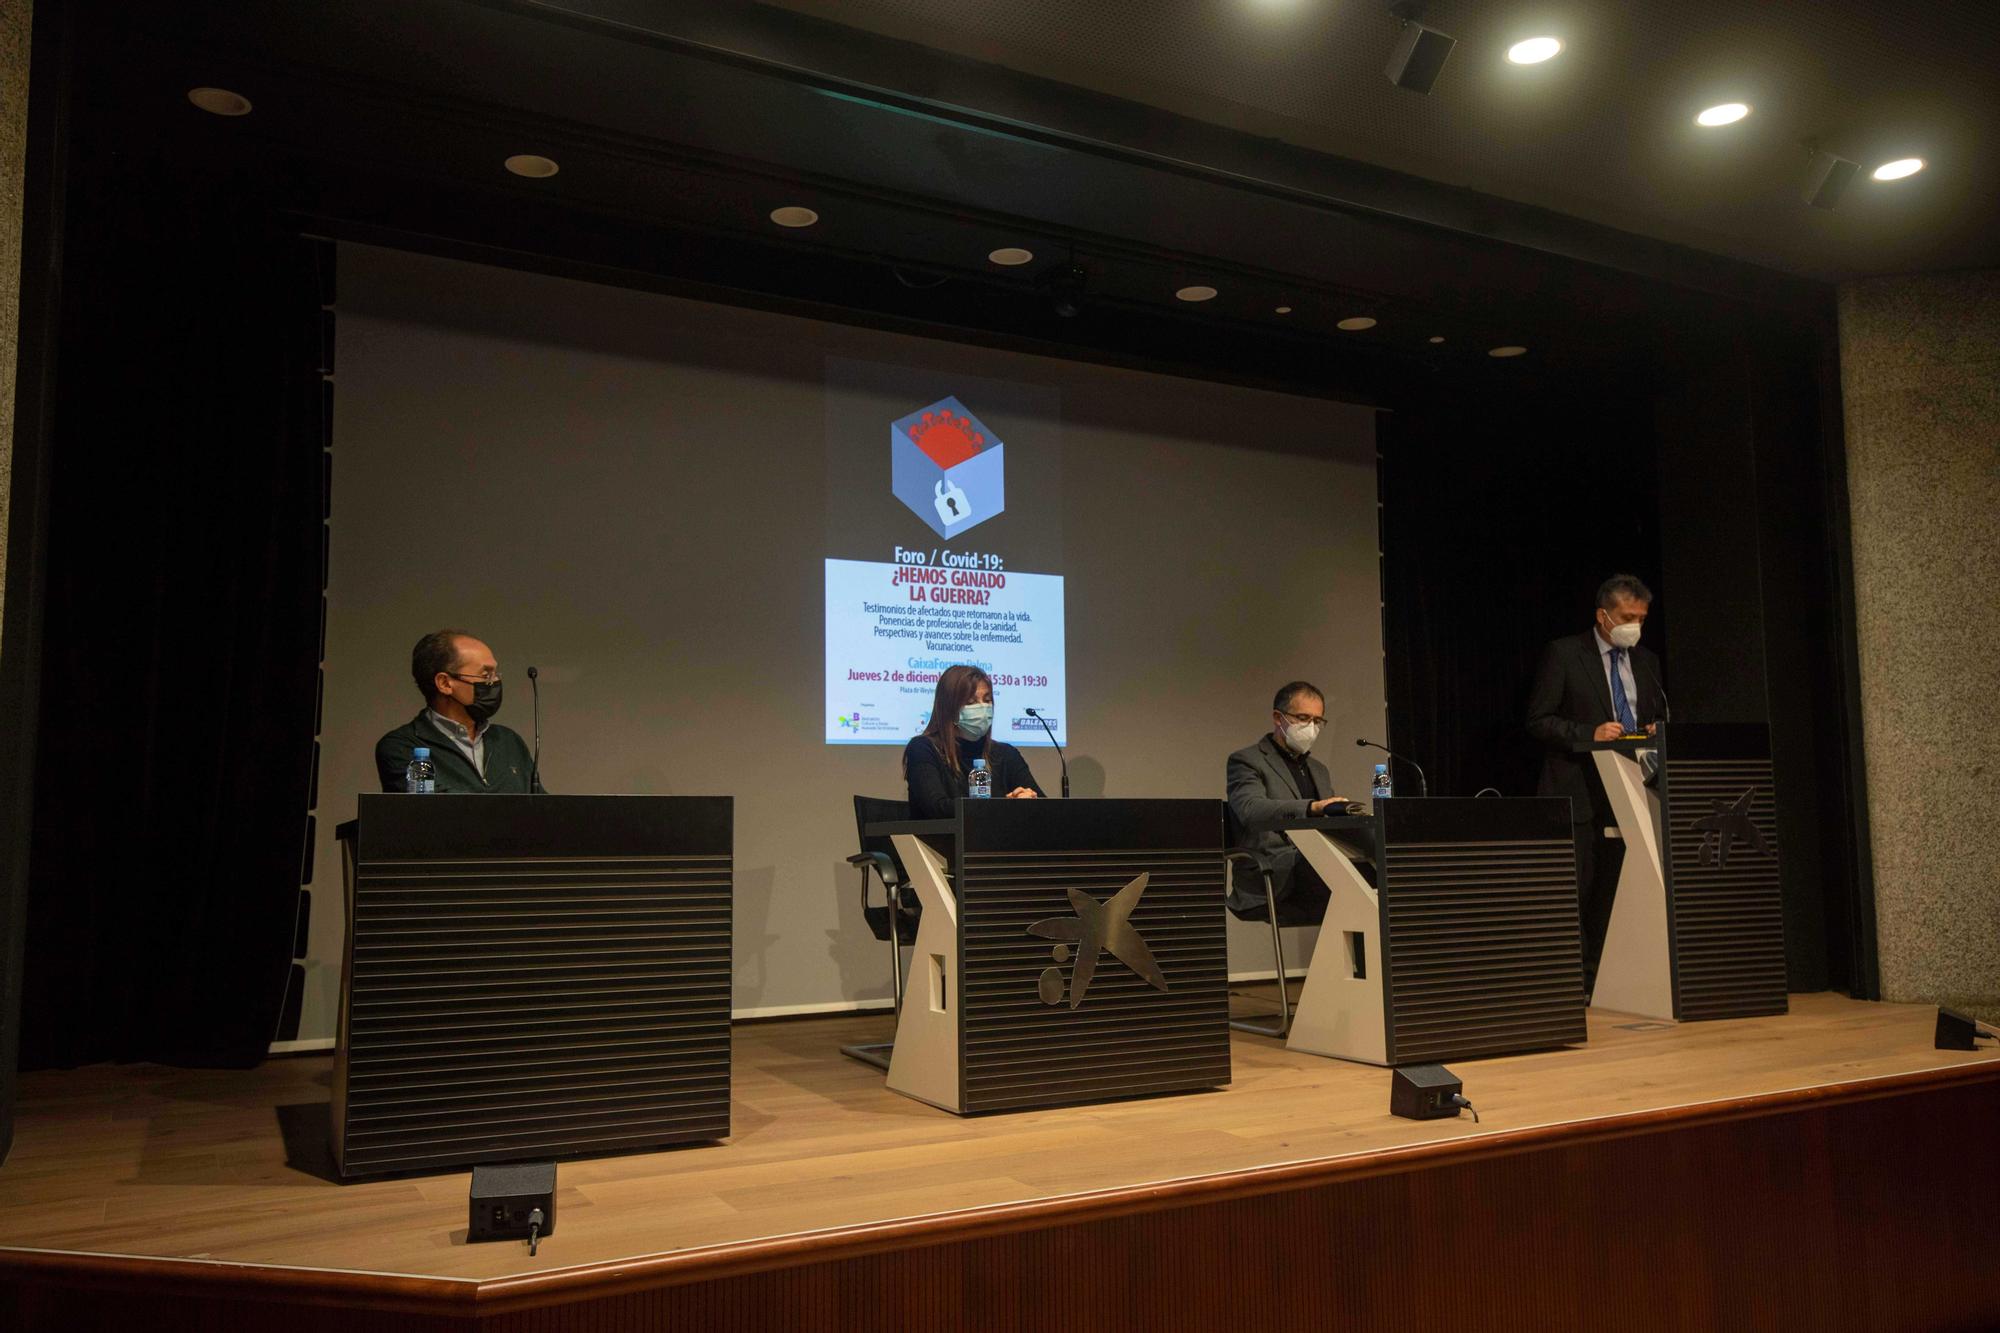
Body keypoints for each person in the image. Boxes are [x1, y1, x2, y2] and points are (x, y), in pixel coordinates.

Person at [1526, 574, 1666, 995]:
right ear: (1603, 616)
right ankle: (1578, 983)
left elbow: (1653, 715)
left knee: (1620, 886)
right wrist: (1590, 733)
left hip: (1632, 789)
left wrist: (1654, 729)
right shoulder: (1566, 654)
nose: (1635, 626)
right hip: (1579, 790)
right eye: (1628, 617)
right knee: (1579, 890)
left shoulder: (1647, 661)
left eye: (1642, 618)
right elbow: (1538, 720)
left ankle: (1618, 975)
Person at [1226, 681, 1355, 925]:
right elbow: (1251, 811)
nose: (1311, 727)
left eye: (1318, 721)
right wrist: (1312, 807)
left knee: (1372, 872)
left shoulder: (1319, 770)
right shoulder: (1247, 761)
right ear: (1278, 717)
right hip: (1273, 868)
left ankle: (1364, 962)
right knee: (1351, 887)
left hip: (1317, 861)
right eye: (1303, 718)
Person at [374, 629, 545, 794]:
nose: (495, 682)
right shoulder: (403, 746)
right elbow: (435, 812)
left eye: (495, 674)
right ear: (445, 683)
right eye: (486, 675)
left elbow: (544, 810)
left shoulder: (508, 741)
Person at [903, 665, 1043, 818]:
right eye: (971, 703)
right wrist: (1006, 806)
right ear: (950, 708)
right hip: (943, 841)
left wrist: (1031, 802)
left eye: (987, 700)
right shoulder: (923, 748)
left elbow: (1048, 809)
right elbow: (938, 808)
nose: (982, 708)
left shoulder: (1005, 754)